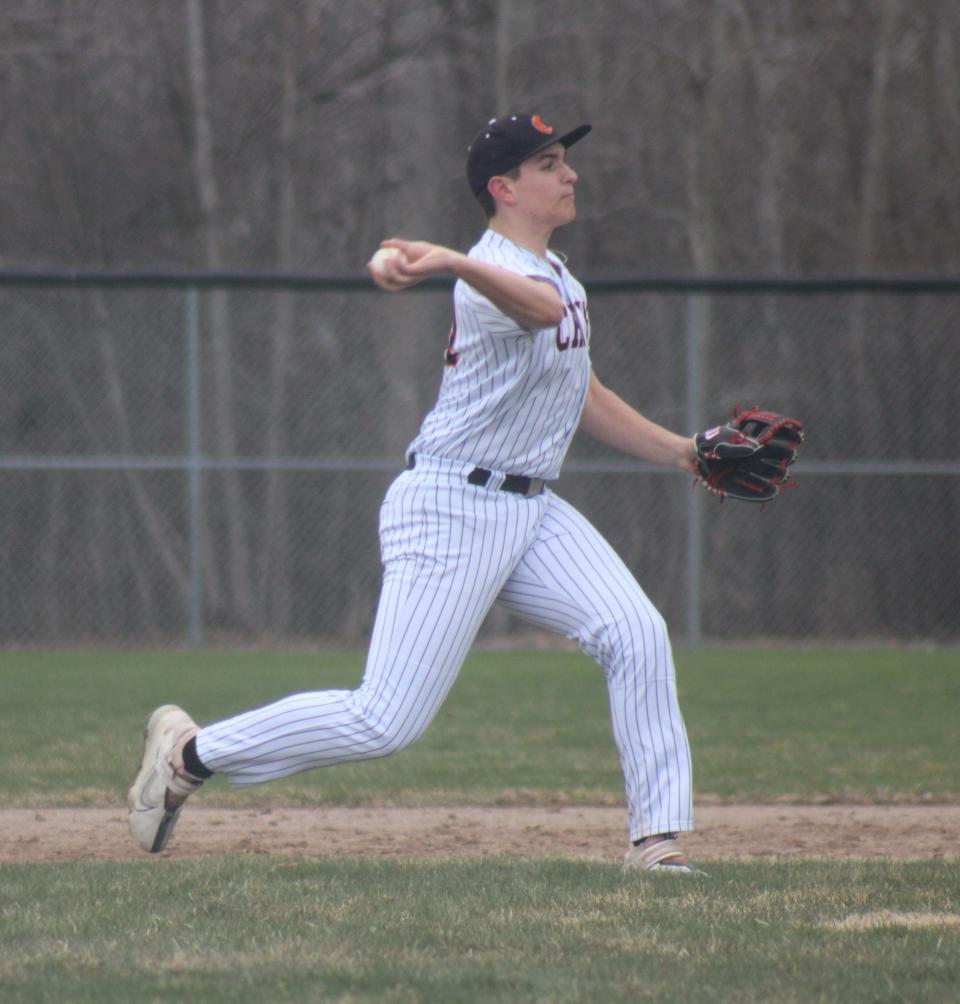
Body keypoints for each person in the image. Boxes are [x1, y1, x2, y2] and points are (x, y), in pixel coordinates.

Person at [128, 113, 704, 875]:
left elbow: (581, 392)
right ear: (502, 188)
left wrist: (686, 454)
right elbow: (530, 310)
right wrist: (449, 261)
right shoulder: (486, 277)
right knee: (384, 720)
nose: (569, 175)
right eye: (550, 163)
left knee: (635, 632)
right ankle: (190, 755)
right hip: (451, 507)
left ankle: (655, 844)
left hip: (531, 510)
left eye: (565, 161)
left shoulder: (559, 275)